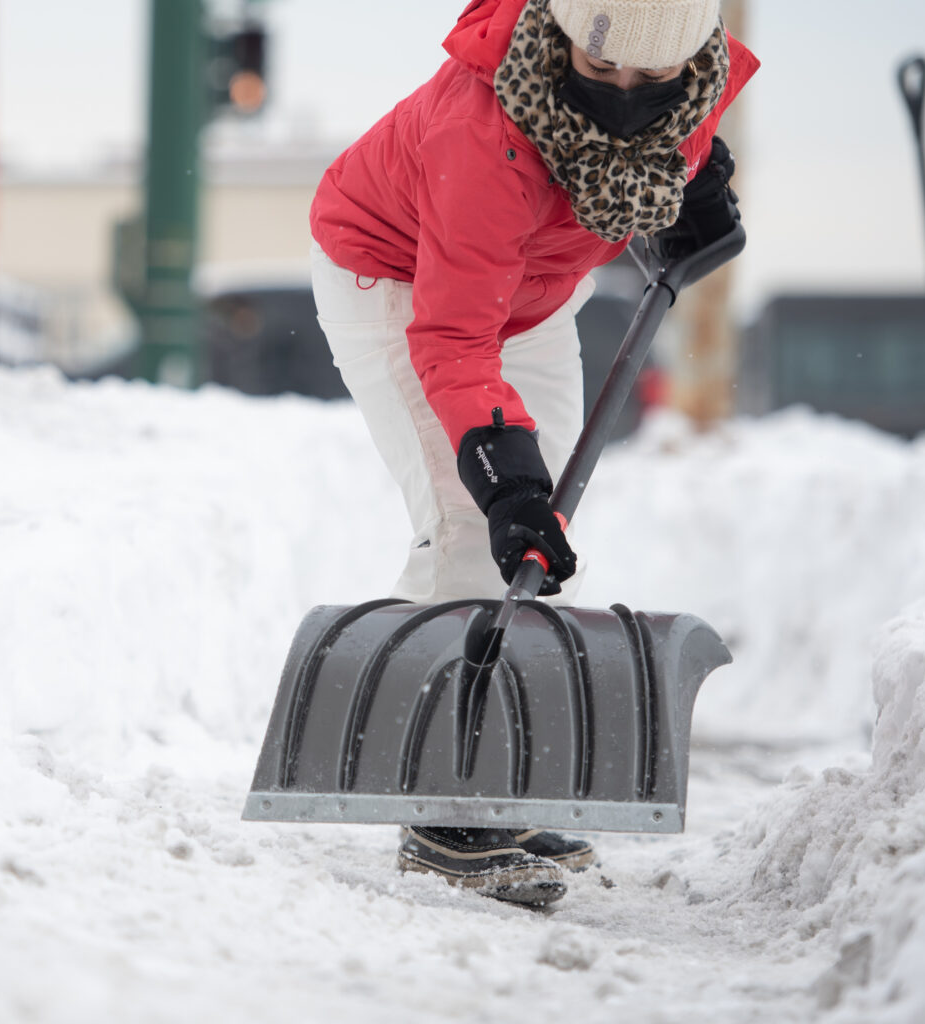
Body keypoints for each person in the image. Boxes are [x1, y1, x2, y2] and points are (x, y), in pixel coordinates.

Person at [308, 0, 758, 906]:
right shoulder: (484, 135)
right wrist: (503, 483)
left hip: (537, 293)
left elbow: (683, 133)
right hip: (399, 279)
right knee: (478, 523)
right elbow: (453, 341)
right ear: (561, 42)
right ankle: (446, 805)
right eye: (601, 77)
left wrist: (697, 191)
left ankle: (496, 775)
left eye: (653, 81)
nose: (628, 98)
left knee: (541, 543)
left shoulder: (694, 79)